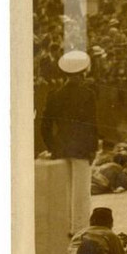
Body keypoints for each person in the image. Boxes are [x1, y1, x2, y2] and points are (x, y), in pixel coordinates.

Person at [40, 49, 98, 232]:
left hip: (61, 147)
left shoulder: (54, 95)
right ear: (82, 72)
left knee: (66, 189)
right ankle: (80, 229)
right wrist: (93, 148)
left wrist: (53, 146)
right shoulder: (88, 94)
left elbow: (45, 126)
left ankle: (66, 227)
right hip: (81, 148)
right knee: (81, 191)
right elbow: (91, 124)